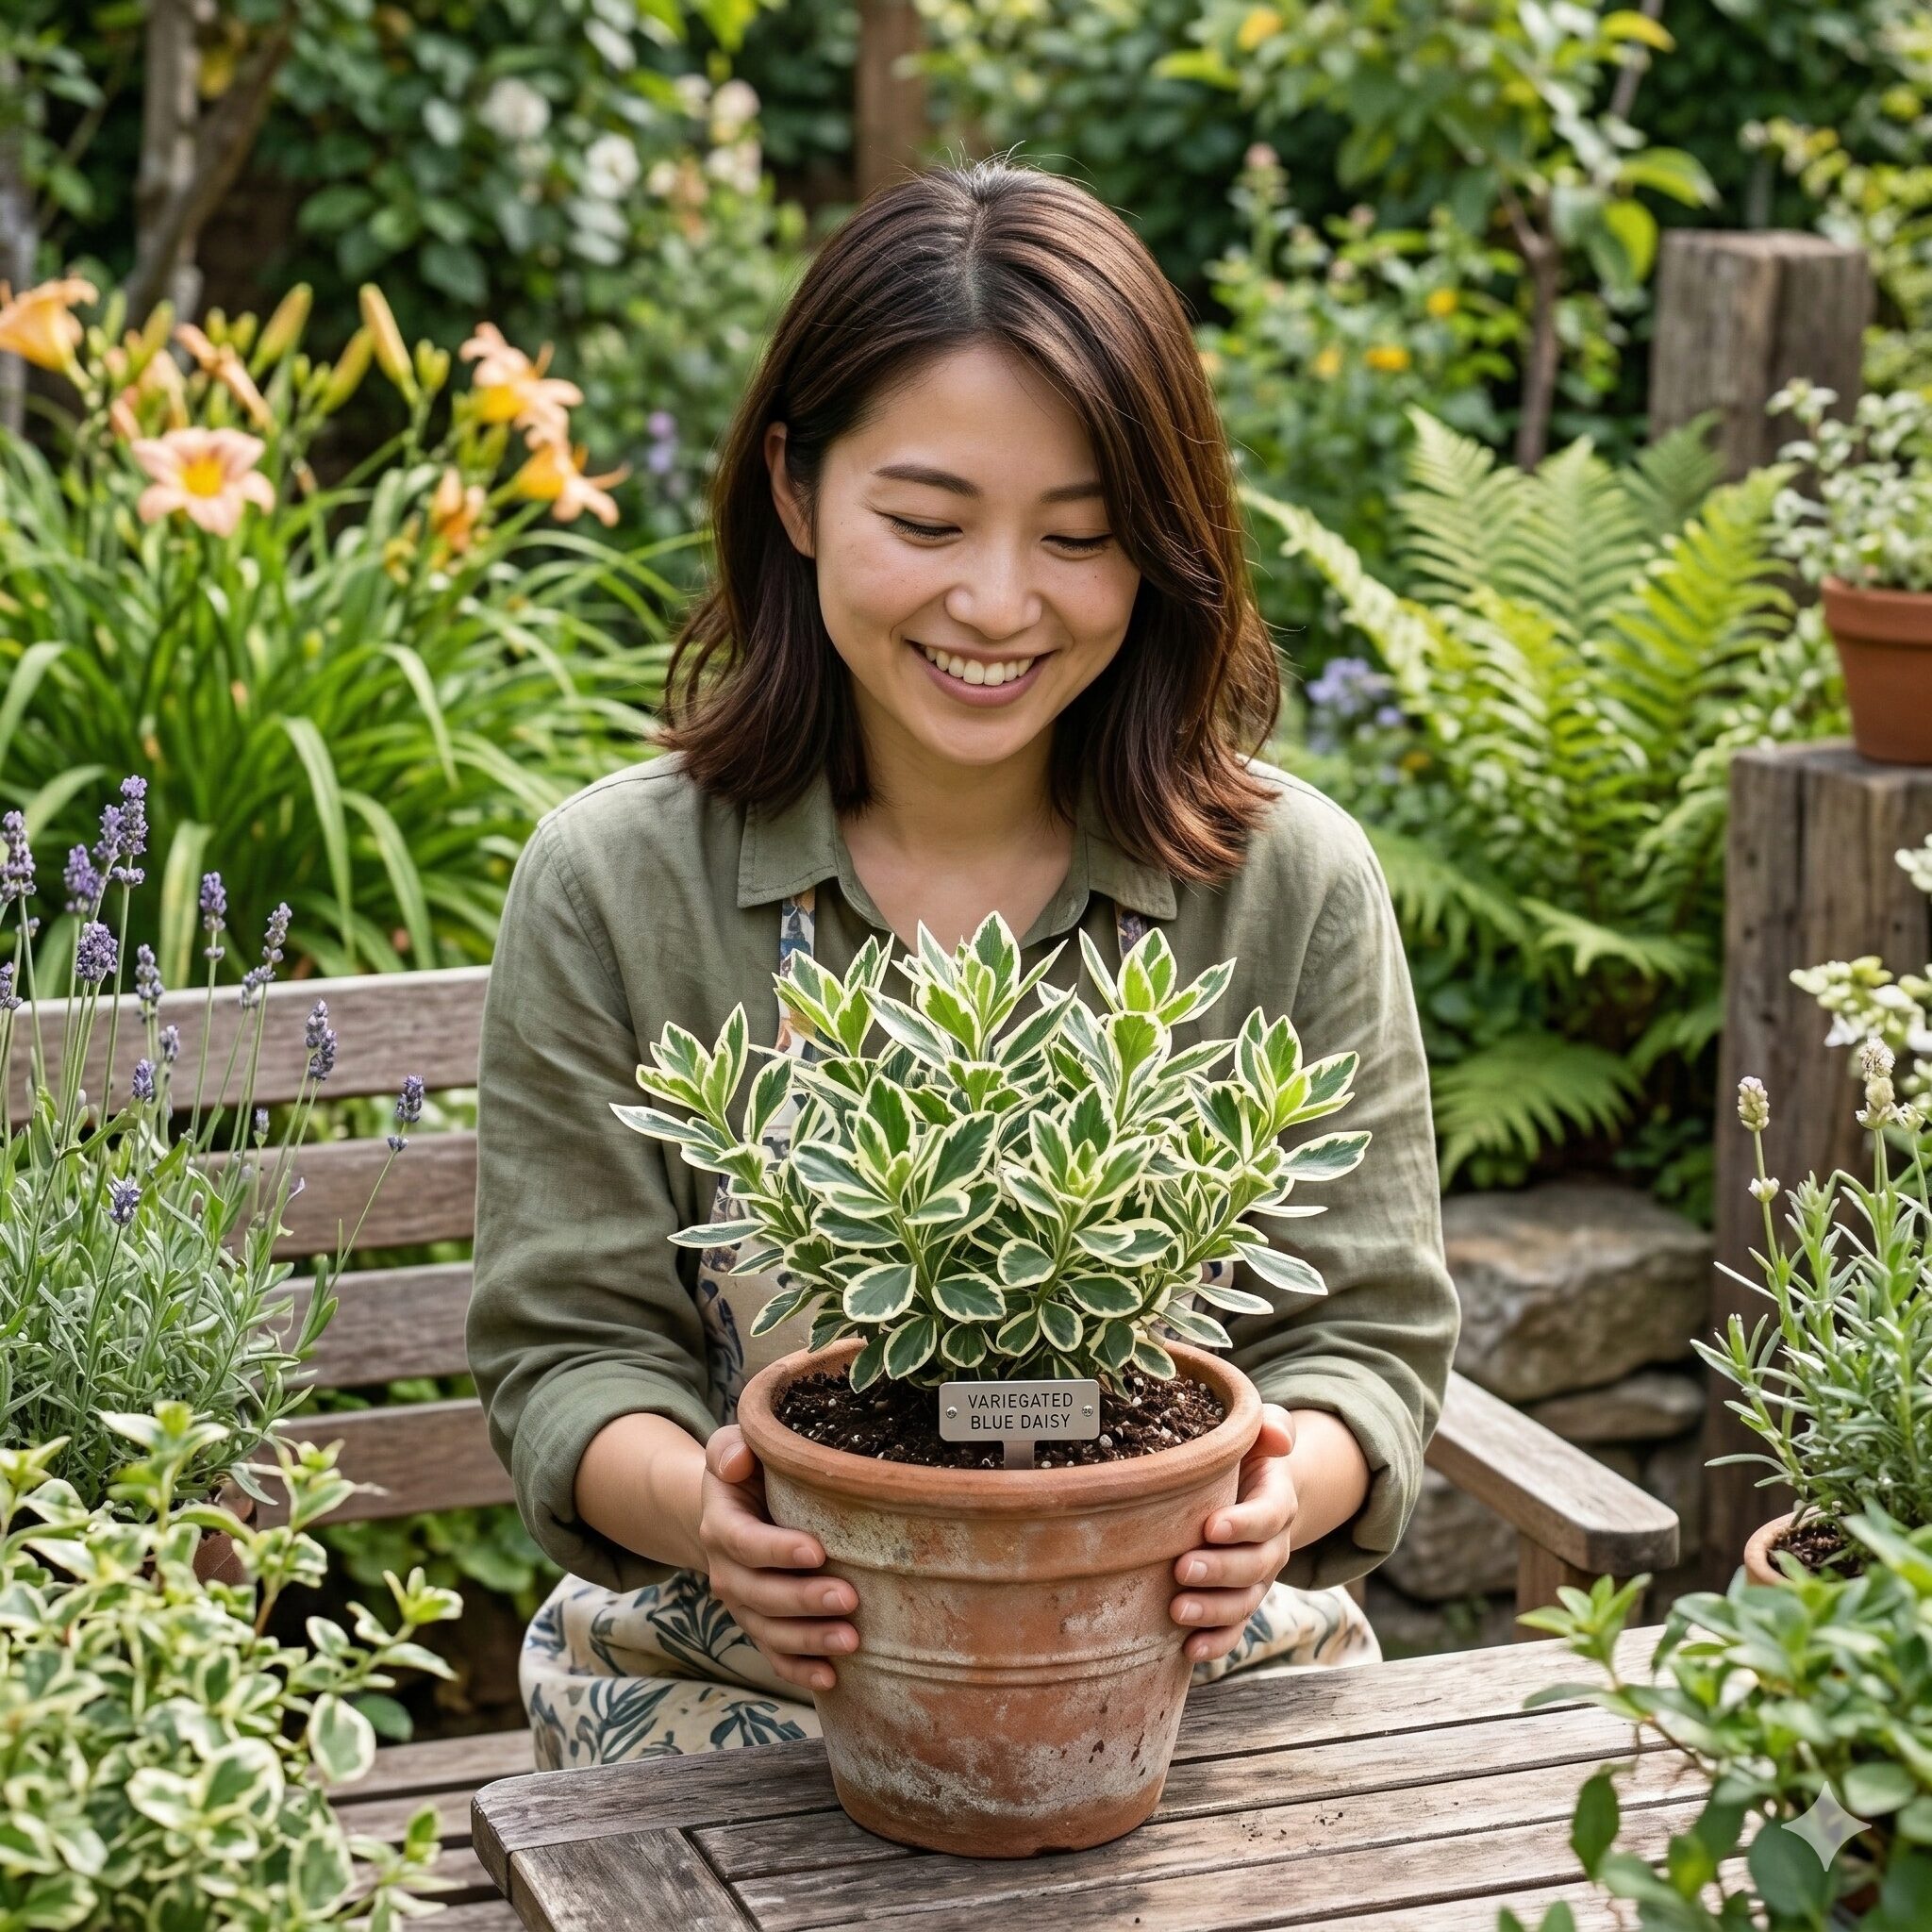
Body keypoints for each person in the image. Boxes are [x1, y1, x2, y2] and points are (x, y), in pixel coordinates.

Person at [467, 157, 1459, 1771]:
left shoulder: (1289, 882)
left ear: (1165, 547)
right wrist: (720, 1520)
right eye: (925, 521)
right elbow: (566, 1353)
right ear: (794, 491)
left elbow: (1368, 1337)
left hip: (1207, 1668)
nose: (997, 604)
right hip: (749, 1674)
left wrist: (1289, 1487)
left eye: (1082, 537)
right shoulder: (615, 882)